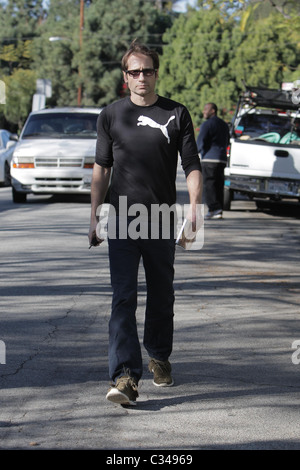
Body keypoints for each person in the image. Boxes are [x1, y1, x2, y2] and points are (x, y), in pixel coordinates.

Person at [88, 40, 202, 406]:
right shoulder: (111, 115)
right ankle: (124, 377)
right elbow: (101, 169)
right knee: (123, 297)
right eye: (134, 71)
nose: (141, 77)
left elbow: (192, 165)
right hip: (121, 217)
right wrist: (93, 216)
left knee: (161, 294)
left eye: (147, 70)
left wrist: (195, 209)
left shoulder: (177, 113)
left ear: (156, 73)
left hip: (160, 218)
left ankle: (159, 356)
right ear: (126, 77)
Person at [196, 103, 230, 220]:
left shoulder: (207, 124)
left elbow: (201, 141)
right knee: (219, 185)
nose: (203, 111)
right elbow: (227, 141)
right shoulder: (224, 125)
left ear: (213, 111)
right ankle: (219, 209)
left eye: (206, 109)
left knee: (209, 185)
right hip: (221, 159)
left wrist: (198, 153)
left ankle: (213, 209)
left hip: (209, 159)